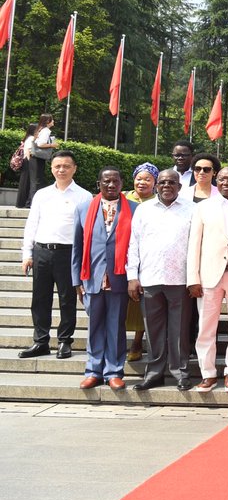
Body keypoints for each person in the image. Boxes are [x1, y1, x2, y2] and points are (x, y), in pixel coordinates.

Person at [20, 150, 92, 359]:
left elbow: (86, 232)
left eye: (66, 166)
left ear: (74, 169)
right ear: (51, 168)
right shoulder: (42, 194)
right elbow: (32, 224)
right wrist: (28, 253)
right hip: (41, 251)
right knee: (39, 299)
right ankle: (40, 341)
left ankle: (64, 341)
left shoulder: (84, 196)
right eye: (57, 166)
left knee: (67, 299)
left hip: (68, 254)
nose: (61, 170)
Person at [127, 169, 194, 391]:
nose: (167, 185)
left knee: (180, 330)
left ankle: (180, 372)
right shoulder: (144, 210)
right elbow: (133, 244)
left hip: (180, 279)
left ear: (180, 186)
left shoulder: (192, 209)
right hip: (150, 278)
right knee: (153, 329)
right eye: (163, 182)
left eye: (171, 182)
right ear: (157, 185)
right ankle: (154, 373)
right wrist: (132, 277)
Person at [71, 167, 136, 390]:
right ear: (98, 183)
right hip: (92, 278)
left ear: (121, 183)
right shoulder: (83, 208)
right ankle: (93, 370)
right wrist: (76, 281)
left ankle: (114, 371)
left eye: (115, 181)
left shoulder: (134, 209)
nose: (110, 185)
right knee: (95, 326)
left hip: (120, 278)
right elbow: (77, 248)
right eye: (106, 181)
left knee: (116, 326)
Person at [187, 166, 228, 393]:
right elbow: (194, 243)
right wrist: (192, 278)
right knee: (206, 326)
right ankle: (208, 373)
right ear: (217, 180)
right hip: (208, 275)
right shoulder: (203, 207)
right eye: (222, 179)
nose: (226, 183)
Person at [123, 162, 158, 361]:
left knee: (140, 304)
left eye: (147, 179)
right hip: (121, 257)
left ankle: (137, 342)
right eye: (139, 178)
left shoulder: (158, 202)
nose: (142, 182)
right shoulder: (123, 199)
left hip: (145, 260)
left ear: (154, 183)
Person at [31, 113, 58, 187]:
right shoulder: (46, 131)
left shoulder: (40, 129)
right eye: (52, 119)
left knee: (35, 179)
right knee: (39, 179)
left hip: (35, 156)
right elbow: (41, 144)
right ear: (47, 121)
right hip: (39, 157)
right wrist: (52, 145)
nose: (53, 121)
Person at [16, 122, 38, 209]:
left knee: (25, 182)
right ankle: (24, 203)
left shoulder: (28, 138)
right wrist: (31, 162)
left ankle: (21, 203)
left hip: (26, 161)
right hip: (28, 161)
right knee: (27, 182)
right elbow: (29, 151)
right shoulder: (31, 138)